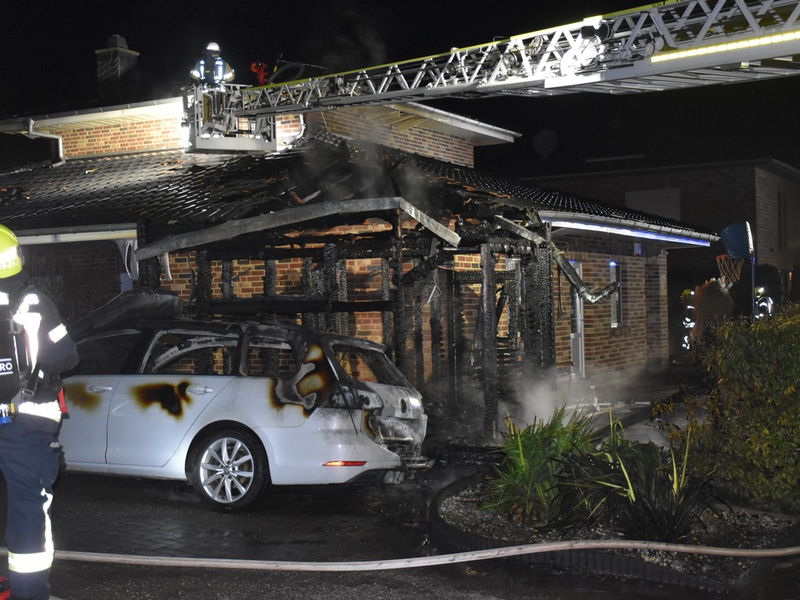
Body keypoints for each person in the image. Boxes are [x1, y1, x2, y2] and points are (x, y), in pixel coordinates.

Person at [0, 224, 78, 600]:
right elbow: (66, 356)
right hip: (28, 419)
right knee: (27, 503)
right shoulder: (32, 302)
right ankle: (28, 593)